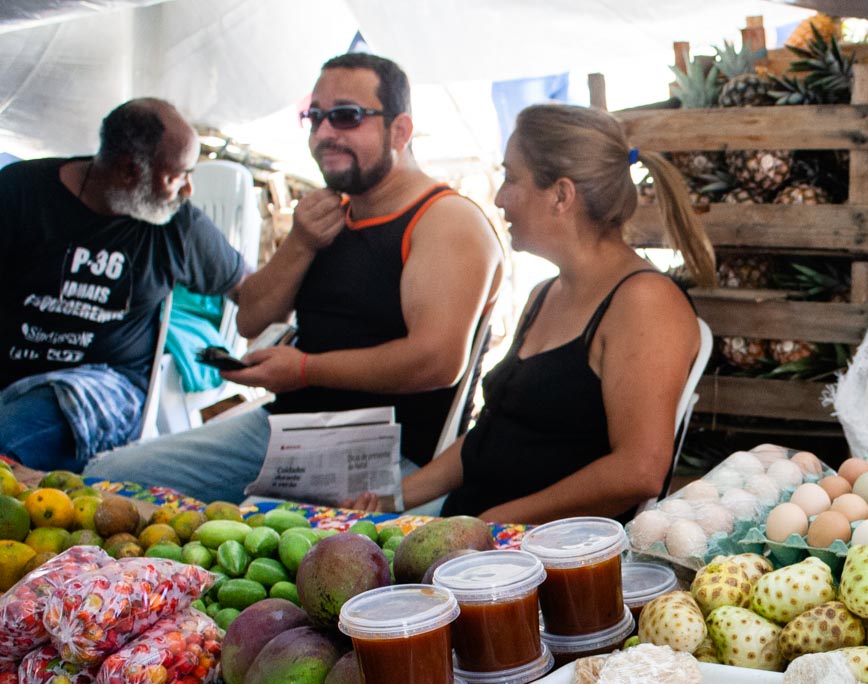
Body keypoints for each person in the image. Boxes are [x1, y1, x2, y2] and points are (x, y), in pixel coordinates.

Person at [85, 53, 503, 501]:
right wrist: (300, 241)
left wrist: (304, 370)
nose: (324, 134)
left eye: (346, 117)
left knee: (270, 544)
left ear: (400, 130)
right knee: (107, 480)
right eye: (315, 117)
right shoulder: (330, 215)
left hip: (384, 453)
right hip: (285, 431)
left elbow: (436, 361)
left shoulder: (443, 220)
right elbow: (251, 321)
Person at [352, 104, 712, 524]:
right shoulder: (544, 295)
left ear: (561, 195)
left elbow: (639, 471)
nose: (500, 198)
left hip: (540, 559)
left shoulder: (644, 303)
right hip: (470, 538)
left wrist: (493, 524)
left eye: (510, 177)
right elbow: (491, 437)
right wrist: (391, 497)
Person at [0, 99, 248, 472]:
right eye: (176, 176)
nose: (187, 190)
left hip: (99, 391)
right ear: (130, 170)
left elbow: (248, 290)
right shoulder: (20, 192)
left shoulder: (179, 226)